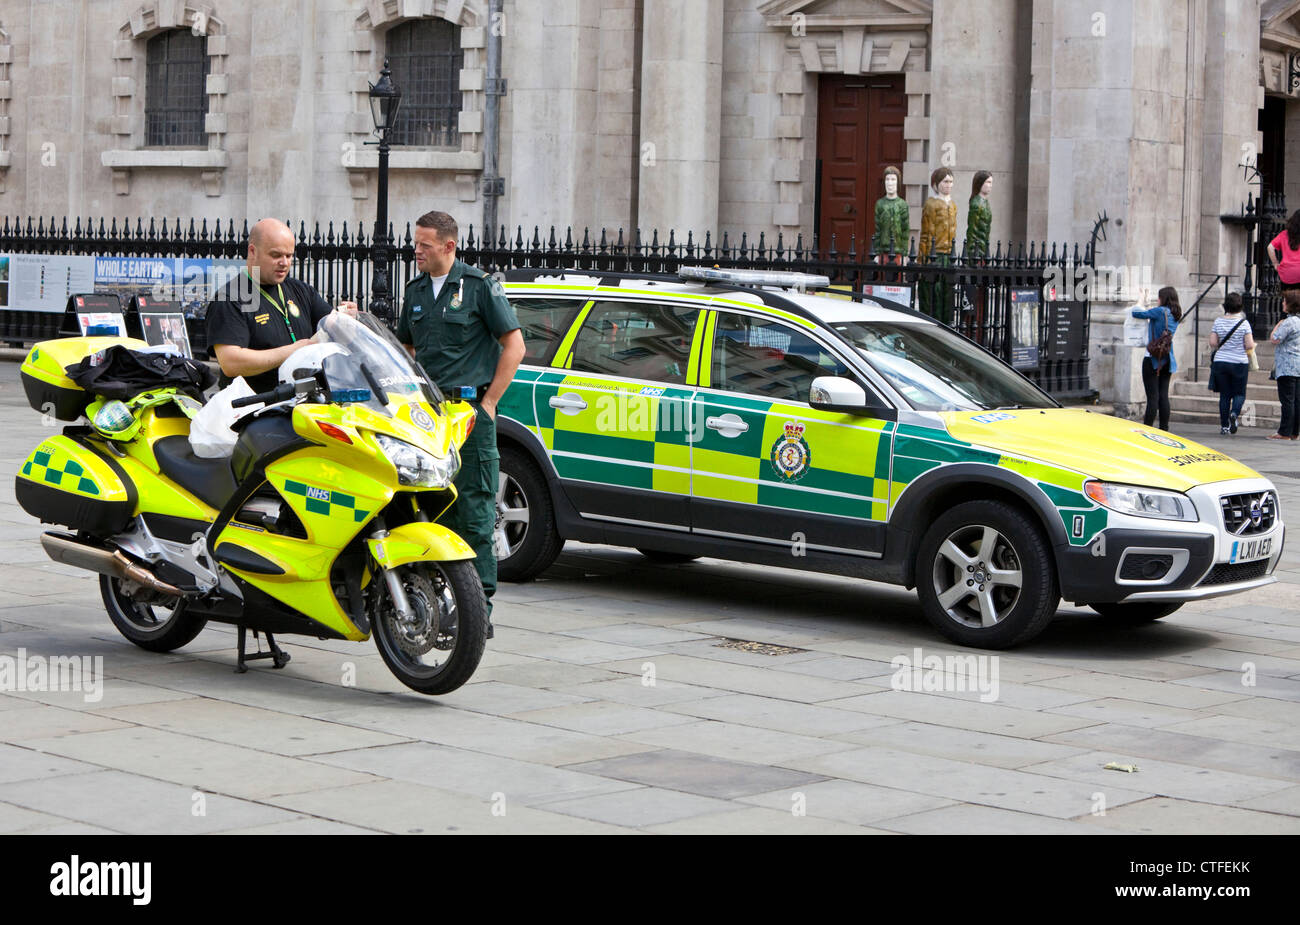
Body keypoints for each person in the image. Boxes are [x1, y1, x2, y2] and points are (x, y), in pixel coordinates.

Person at [396, 211, 525, 636]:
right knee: (430, 507)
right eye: (416, 243)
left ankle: (478, 613)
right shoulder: (415, 290)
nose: (417, 251)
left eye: (425, 245)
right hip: (427, 417)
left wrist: (489, 402)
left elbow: (515, 346)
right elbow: (406, 351)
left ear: (449, 247)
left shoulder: (479, 287)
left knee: (474, 509)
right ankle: (439, 601)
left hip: (469, 416)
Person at [206, 218, 356, 394]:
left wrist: (346, 318)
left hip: (304, 404)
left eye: (289, 255)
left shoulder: (301, 290)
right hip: (256, 410)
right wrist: (297, 350)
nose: (284, 263)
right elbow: (231, 363)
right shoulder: (230, 297)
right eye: (276, 255)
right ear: (252, 251)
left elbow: (333, 327)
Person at [1131, 286, 1182, 431]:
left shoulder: (1160, 311)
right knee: (1163, 396)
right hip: (1167, 359)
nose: (1157, 300)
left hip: (1152, 358)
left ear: (1163, 298)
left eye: (1159, 297)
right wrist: (1147, 306)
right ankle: (1164, 428)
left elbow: (1136, 313)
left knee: (1152, 397)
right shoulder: (1175, 314)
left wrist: (1141, 300)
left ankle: (1147, 428)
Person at [1208, 291, 1254, 435]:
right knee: (1239, 393)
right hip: (1239, 362)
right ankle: (1234, 413)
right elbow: (1249, 345)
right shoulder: (1244, 323)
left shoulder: (1218, 321)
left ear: (1225, 306)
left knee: (1225, 395)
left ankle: (1224, 426)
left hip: (1221, 361)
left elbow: (1213, 342)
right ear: (1240, 307)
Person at [918, 167, 957, 324]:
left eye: (951, 182)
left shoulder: (953, 205)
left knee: (947, 295)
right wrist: (923, 259)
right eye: (945, 181)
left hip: (948, 255)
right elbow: (926, 233)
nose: (948, 185)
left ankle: (946, 325)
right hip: (935, 254)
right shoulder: (931, 204)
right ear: (937, 183)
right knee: (935, 294)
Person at [1269, 289, 1300, 440]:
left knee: (1287, 400)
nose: (1282, 303)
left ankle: (1284, 432)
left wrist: (1278, 324)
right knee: (1296, 400)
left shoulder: (1288, 322)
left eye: (1285, 301)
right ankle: (1295, 431)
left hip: (1287, 366)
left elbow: (1274, 338)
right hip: (1298, 365)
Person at [1268, 210, 1300, 294]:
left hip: (1286, 274)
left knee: (1287, 301)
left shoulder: (1284, 234)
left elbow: (1270, 247)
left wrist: (1275, 263)